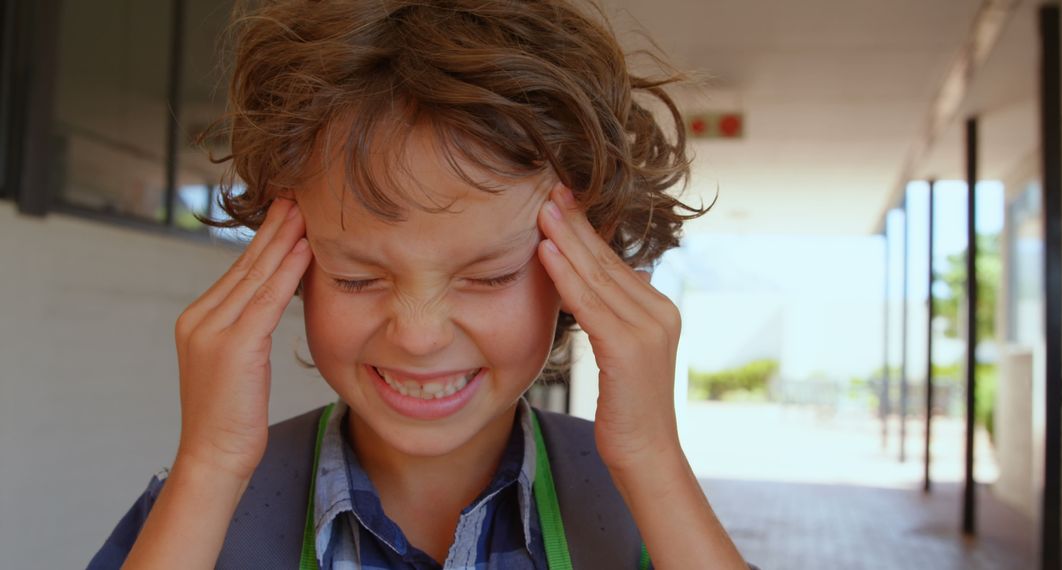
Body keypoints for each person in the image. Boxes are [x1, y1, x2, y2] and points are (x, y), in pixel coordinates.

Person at [90, 0, 753, 568]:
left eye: (490, 275)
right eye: (355, 278)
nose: (418, 334)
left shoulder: (642, 508)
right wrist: (211, 464)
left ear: (586, 266)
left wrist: (651, 457)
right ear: (288, 259)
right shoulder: (198, 511)